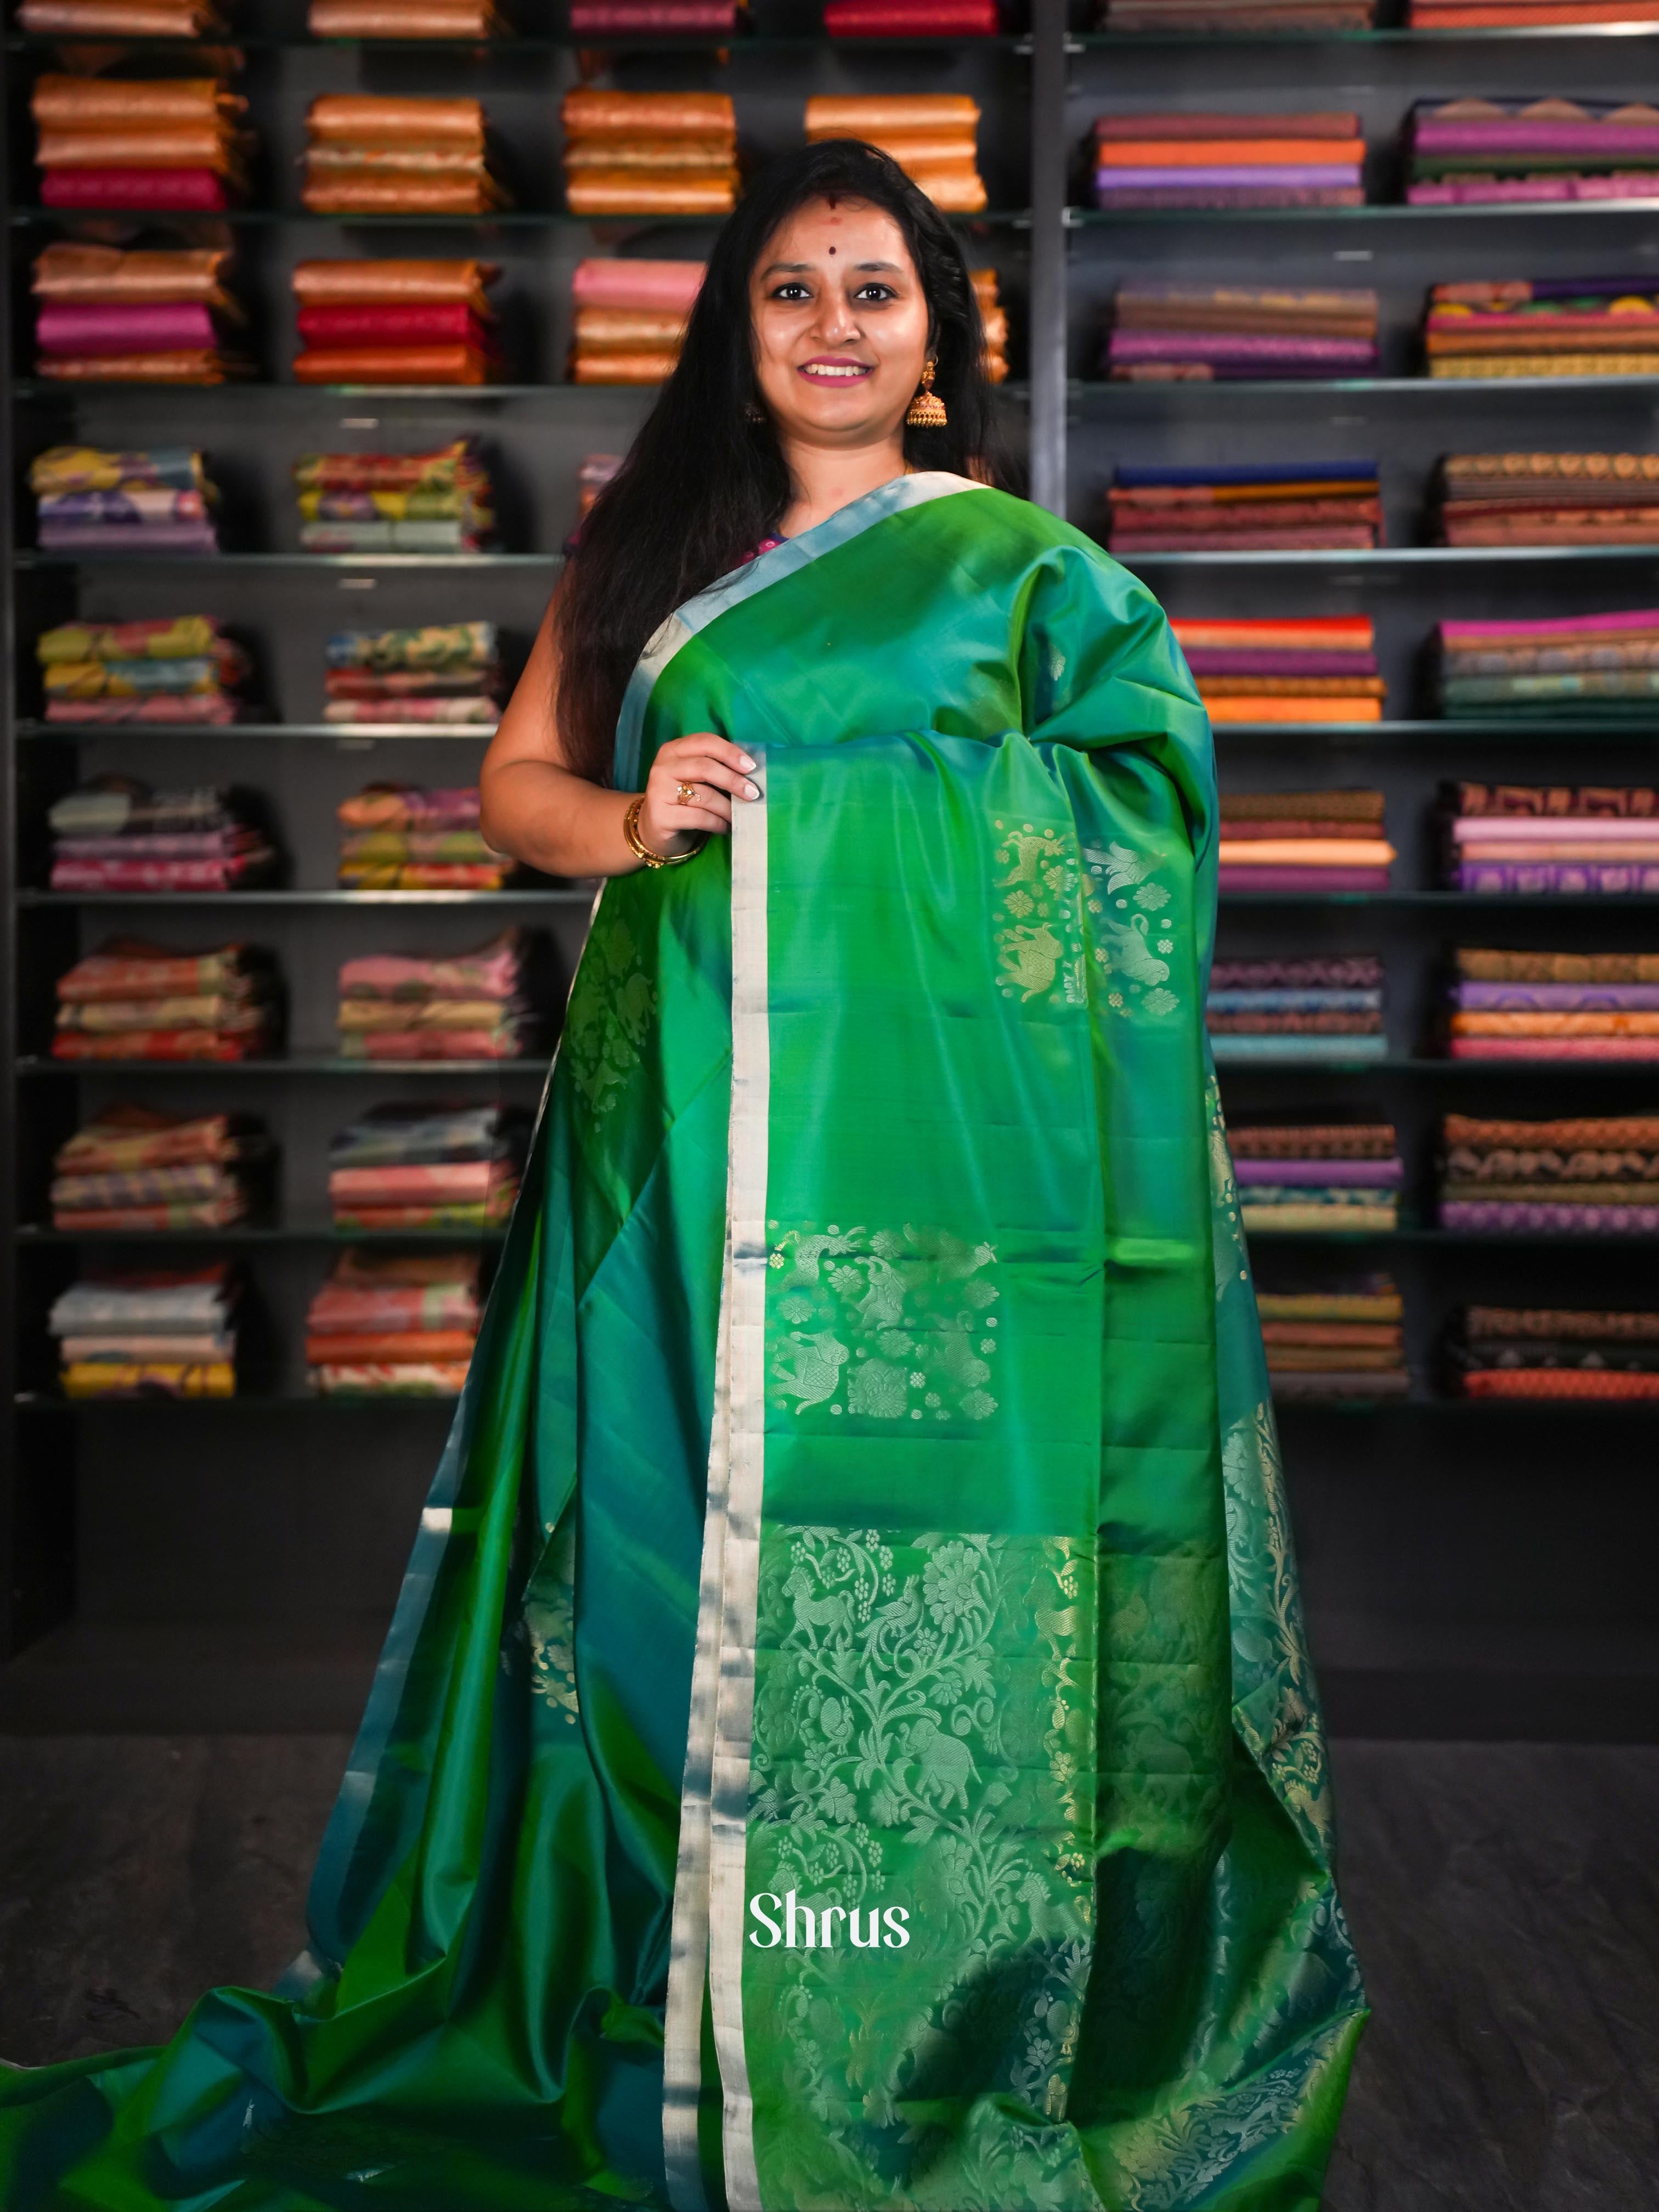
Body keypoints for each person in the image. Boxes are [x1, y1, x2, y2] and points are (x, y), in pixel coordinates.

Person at [0, 141, 1366, 2211]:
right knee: (647, 1555)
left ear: (936, 347)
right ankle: (661, 1976)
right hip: (669, 1151)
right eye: (791, 291)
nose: (834, 324)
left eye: (876, 292)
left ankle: (915, 1991)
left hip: (941, 1204)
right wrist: (640, 821)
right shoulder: (648, 546)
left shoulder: (1021, 573)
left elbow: (1142, 827)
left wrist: (861, 819)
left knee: (908, 1577)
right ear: (739, 337)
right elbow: (517, 791)